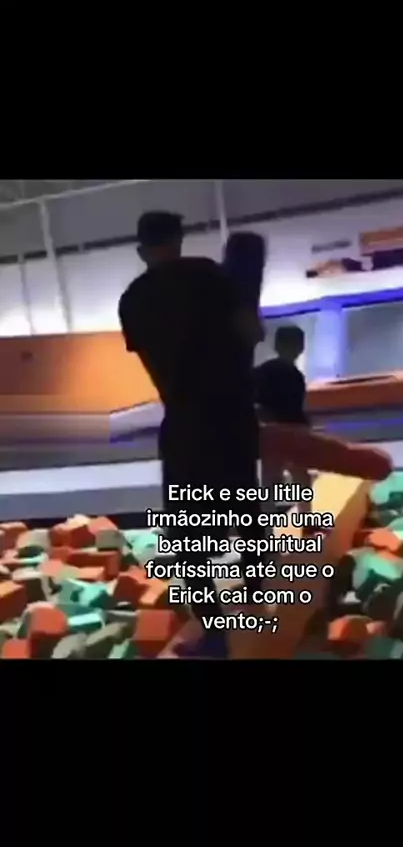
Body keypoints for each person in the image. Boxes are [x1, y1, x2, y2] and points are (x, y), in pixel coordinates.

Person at [118, 212, 266, 658]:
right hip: (233, 415)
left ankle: (216, 635)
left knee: (188, 539)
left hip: (185, 422)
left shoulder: (133, 300)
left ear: (141, 250)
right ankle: (257, 598)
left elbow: (157, 365)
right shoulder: (211, 276)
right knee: (246, 512)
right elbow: (251, 333)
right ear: (179, 240)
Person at [254, 325, 311, 517]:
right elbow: (295, 407)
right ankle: (305, 517)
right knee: (299, 475)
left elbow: (256, 401)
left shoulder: (264, 371)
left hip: (274, 430)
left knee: (271, 479)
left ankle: (267, 523)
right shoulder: (294, 375)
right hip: (291, 429)